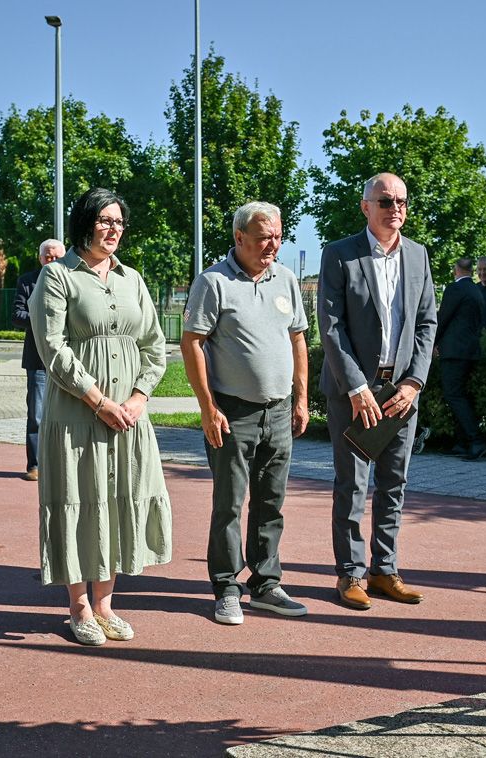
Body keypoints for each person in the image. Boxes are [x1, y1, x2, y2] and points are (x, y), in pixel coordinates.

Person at [29, 188, 171, 646]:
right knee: (78, 498)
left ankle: (106, 604)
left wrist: (138, 398)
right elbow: (53, 348)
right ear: (86, 223)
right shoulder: (57, 276)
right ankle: (79, 606)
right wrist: (99, 401)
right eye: (105, 221)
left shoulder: (133, 279)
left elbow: (154, 346)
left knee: (114, 501)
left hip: (128, 417)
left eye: (119, 222)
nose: (114, 230)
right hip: (77, 415)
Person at [182, 201, 310, 626]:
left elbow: (297, 340)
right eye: (263, 237)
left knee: (271, 502)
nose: (272, 245)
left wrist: (301, 399)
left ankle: (266, 584)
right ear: (239, 238)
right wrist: (208, 408)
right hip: (232, 412)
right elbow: (192, 343)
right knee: (230, 504)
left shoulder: (286, 279)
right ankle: (225, 587)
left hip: (278, 411)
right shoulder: (213, 282)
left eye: (278, 237)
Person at [318, 172, 437, 611]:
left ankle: (384, 571)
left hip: (401, 392)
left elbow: (426, 323)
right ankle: (350, 574)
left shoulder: (418, 255)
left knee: (394, 484)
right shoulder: (340, 254)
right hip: (354, 394)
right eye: (385, 201)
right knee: (352, 485)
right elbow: (331, 327)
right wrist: (355, 387)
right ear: (365, 206)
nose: (395, 209)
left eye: (402, 201)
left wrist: (414, 382)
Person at [12, 238, 64, 481]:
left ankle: (63, 465)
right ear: (40, 258)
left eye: (56, 257)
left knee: (69, 415)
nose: (51, 261)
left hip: (68, 359)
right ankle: (35, 465)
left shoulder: (73, 279)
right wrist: (43, 319)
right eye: (47, 256)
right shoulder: (27, 281)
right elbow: (17, 315)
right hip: (38, 361)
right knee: (37, 416)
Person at [435, 257, 486, 460]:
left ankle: (476, 441)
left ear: (455, 269)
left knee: (454, 395)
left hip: (454, 351)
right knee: (461, 395)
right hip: (470, 350)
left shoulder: (455, 289)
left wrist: (432, 342)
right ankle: (462, 442)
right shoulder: (475, 290)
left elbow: (443, 318)